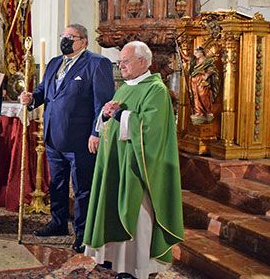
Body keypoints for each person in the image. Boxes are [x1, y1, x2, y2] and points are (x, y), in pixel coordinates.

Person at [83, 41, 184, 279]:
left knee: (136, 215)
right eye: (120, 62)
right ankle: (116, 260)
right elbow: (113, 120)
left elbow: (150, 129)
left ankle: (136, 266)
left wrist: (121, 114)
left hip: (138, 166)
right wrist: (106, 115)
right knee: (115, 208)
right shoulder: (126, 86)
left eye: (125, 62)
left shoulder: (156, 90)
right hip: (117, 161)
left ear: (143, 62)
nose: (121, 66)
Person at [19, 24, 114, 253]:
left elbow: (102, 102)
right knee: (57, 184)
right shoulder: (53, 63)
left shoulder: (96, 63)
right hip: (53, 136)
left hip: (81, 139)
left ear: (83, 41)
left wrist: (97, 132)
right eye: (63, 36)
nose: (65, 40)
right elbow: (43, 91)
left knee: (82, 189)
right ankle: (58, 222)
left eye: (70, 37)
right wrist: (31, 98)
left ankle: (83, 233)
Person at [188, 46, 219, 124]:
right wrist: (179, 51)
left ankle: (207, 111)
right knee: (195, 96)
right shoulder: (195, 61)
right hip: (194, 81)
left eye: (196, 53)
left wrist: (207, 75)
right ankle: (198, 112)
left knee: (203, 95)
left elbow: (212, 69)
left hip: (202, 81)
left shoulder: (207, 61)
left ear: (201, 53)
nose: (195, 54)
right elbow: (187, 59)